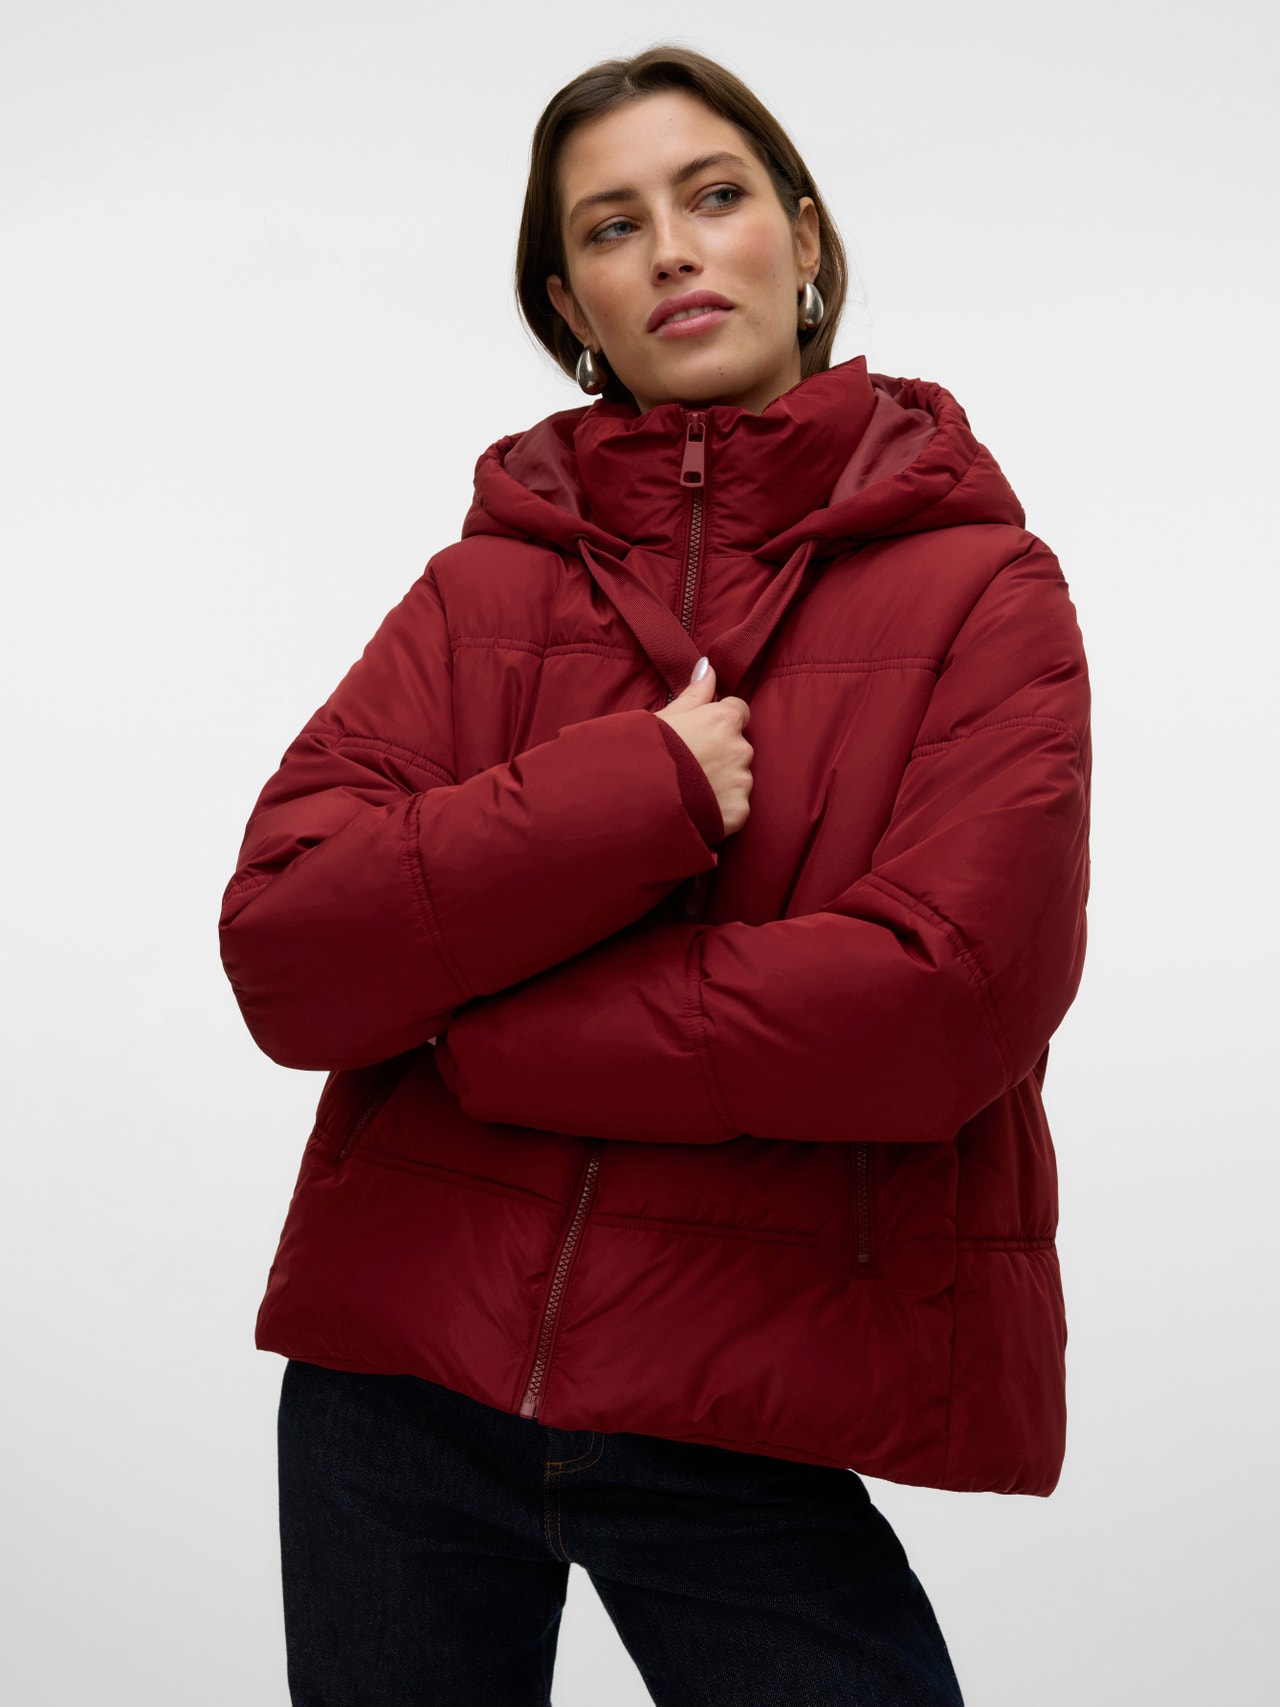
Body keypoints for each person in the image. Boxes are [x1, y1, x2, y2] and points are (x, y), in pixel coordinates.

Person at [218, 43, 1091, 1707]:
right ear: (573, 305)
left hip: (744, 1404)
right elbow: (289, 950)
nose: (674, 249)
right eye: (613, 226)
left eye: (715, 196)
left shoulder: (986, 591)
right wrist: (639, 792)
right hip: (391, 1396)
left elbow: (940, 1009)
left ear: (804, 237)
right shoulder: (479, 593)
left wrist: (486, 1035)